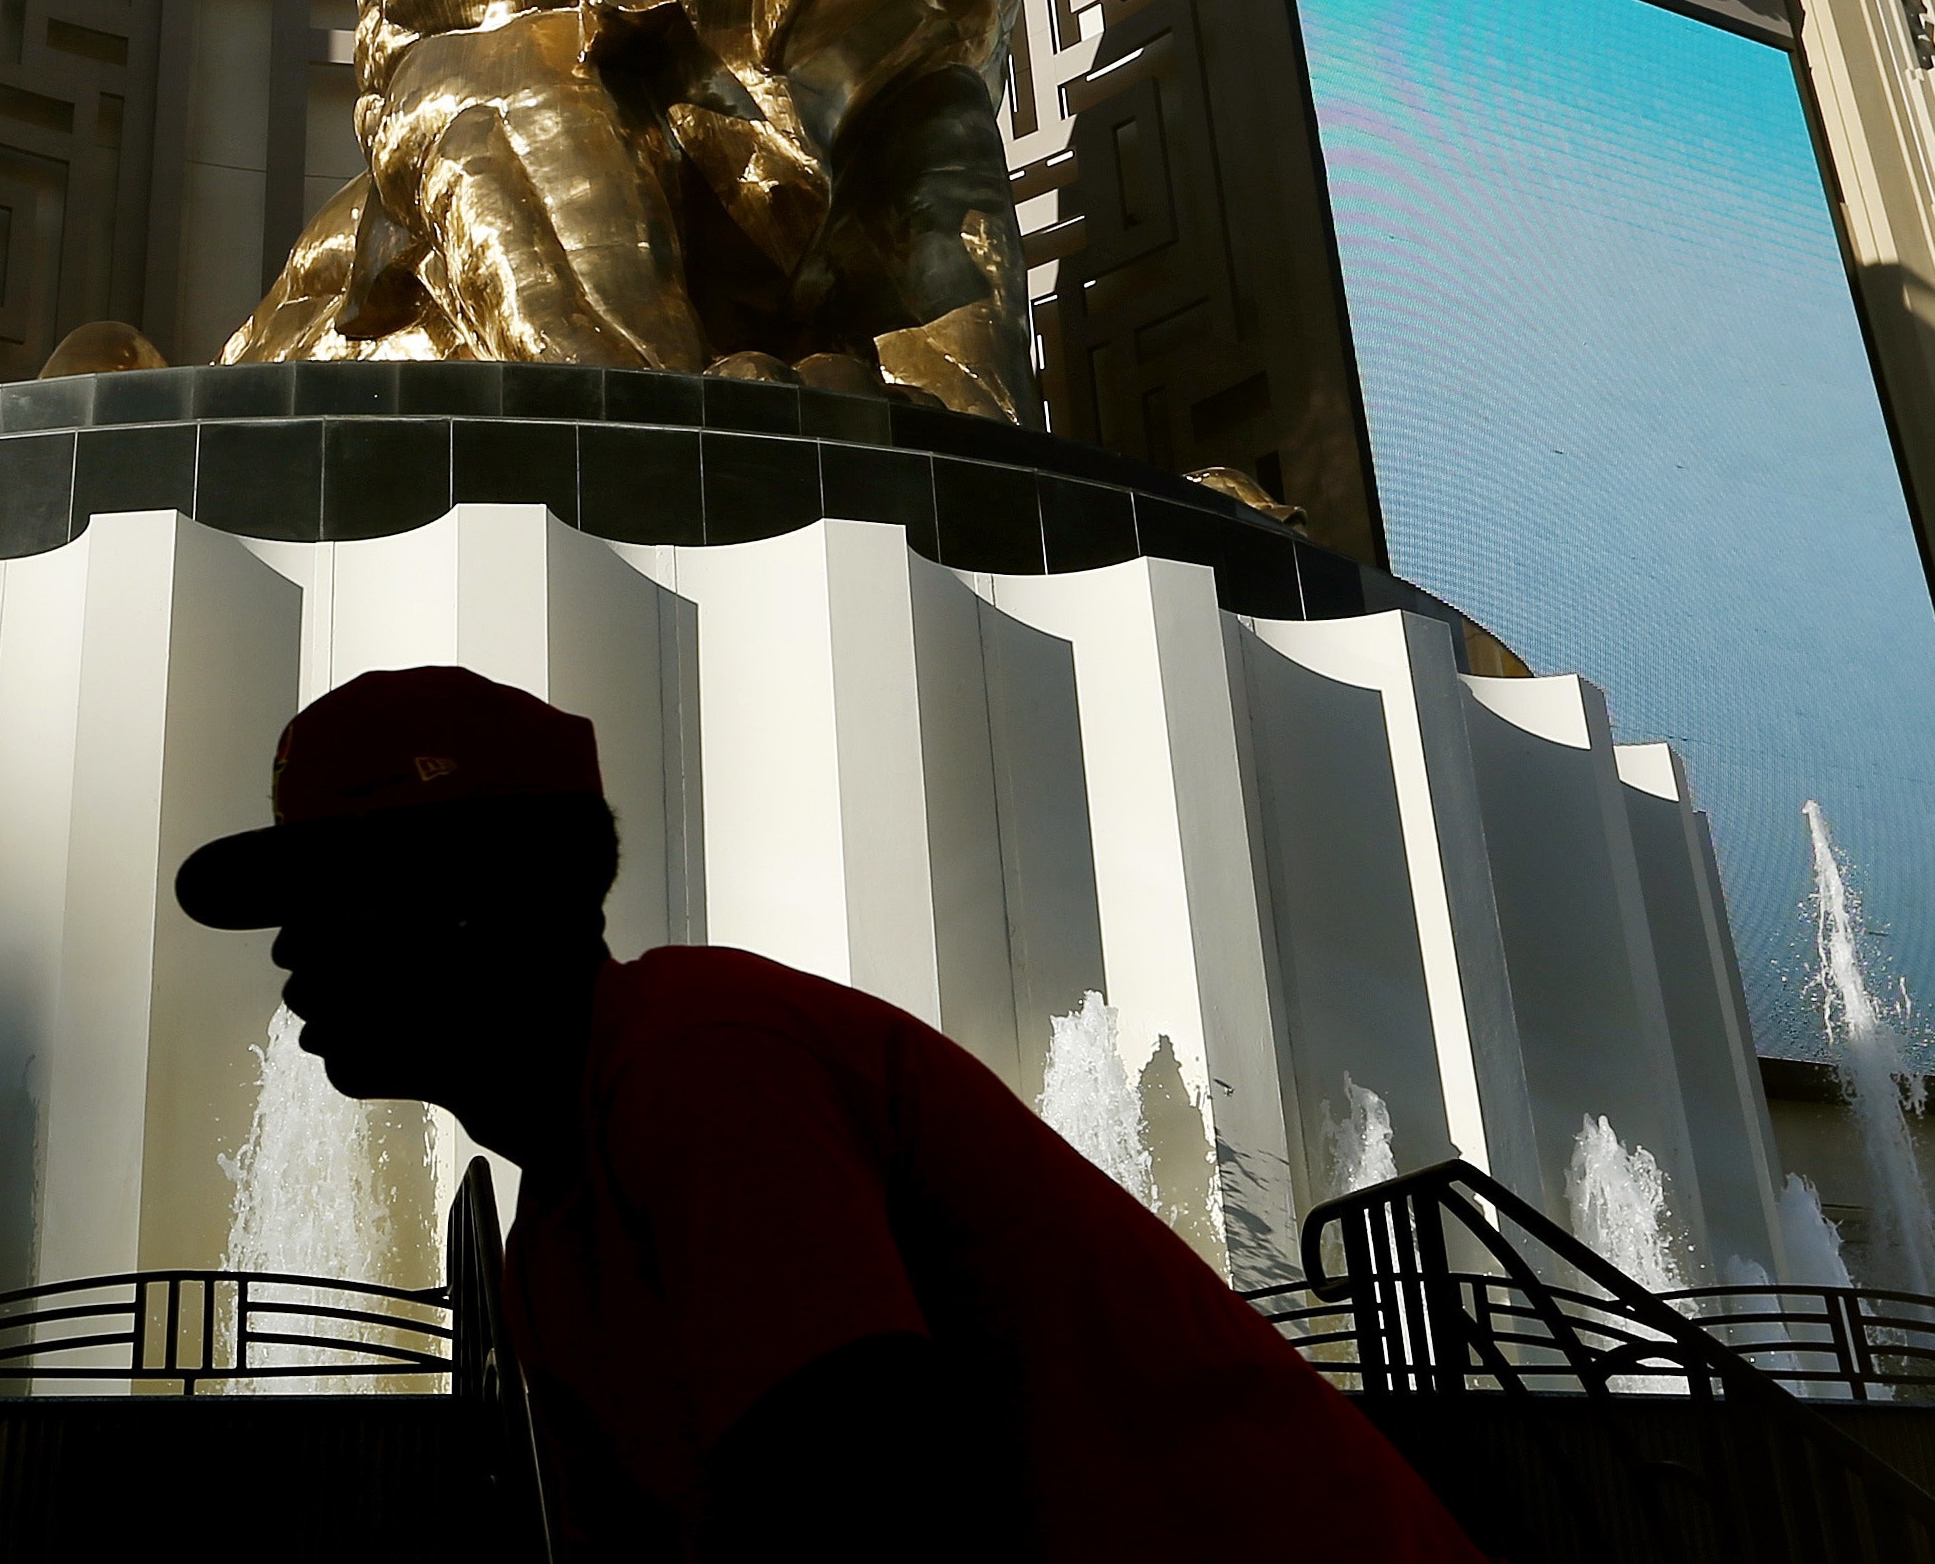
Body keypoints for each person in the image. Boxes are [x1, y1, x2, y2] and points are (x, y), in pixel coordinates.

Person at [173, 664, 1484, 1561]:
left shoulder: (702, 1058)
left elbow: (852, 1487)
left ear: (476, 898)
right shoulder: (557, 1229)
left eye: (327, 896)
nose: (287, 948)